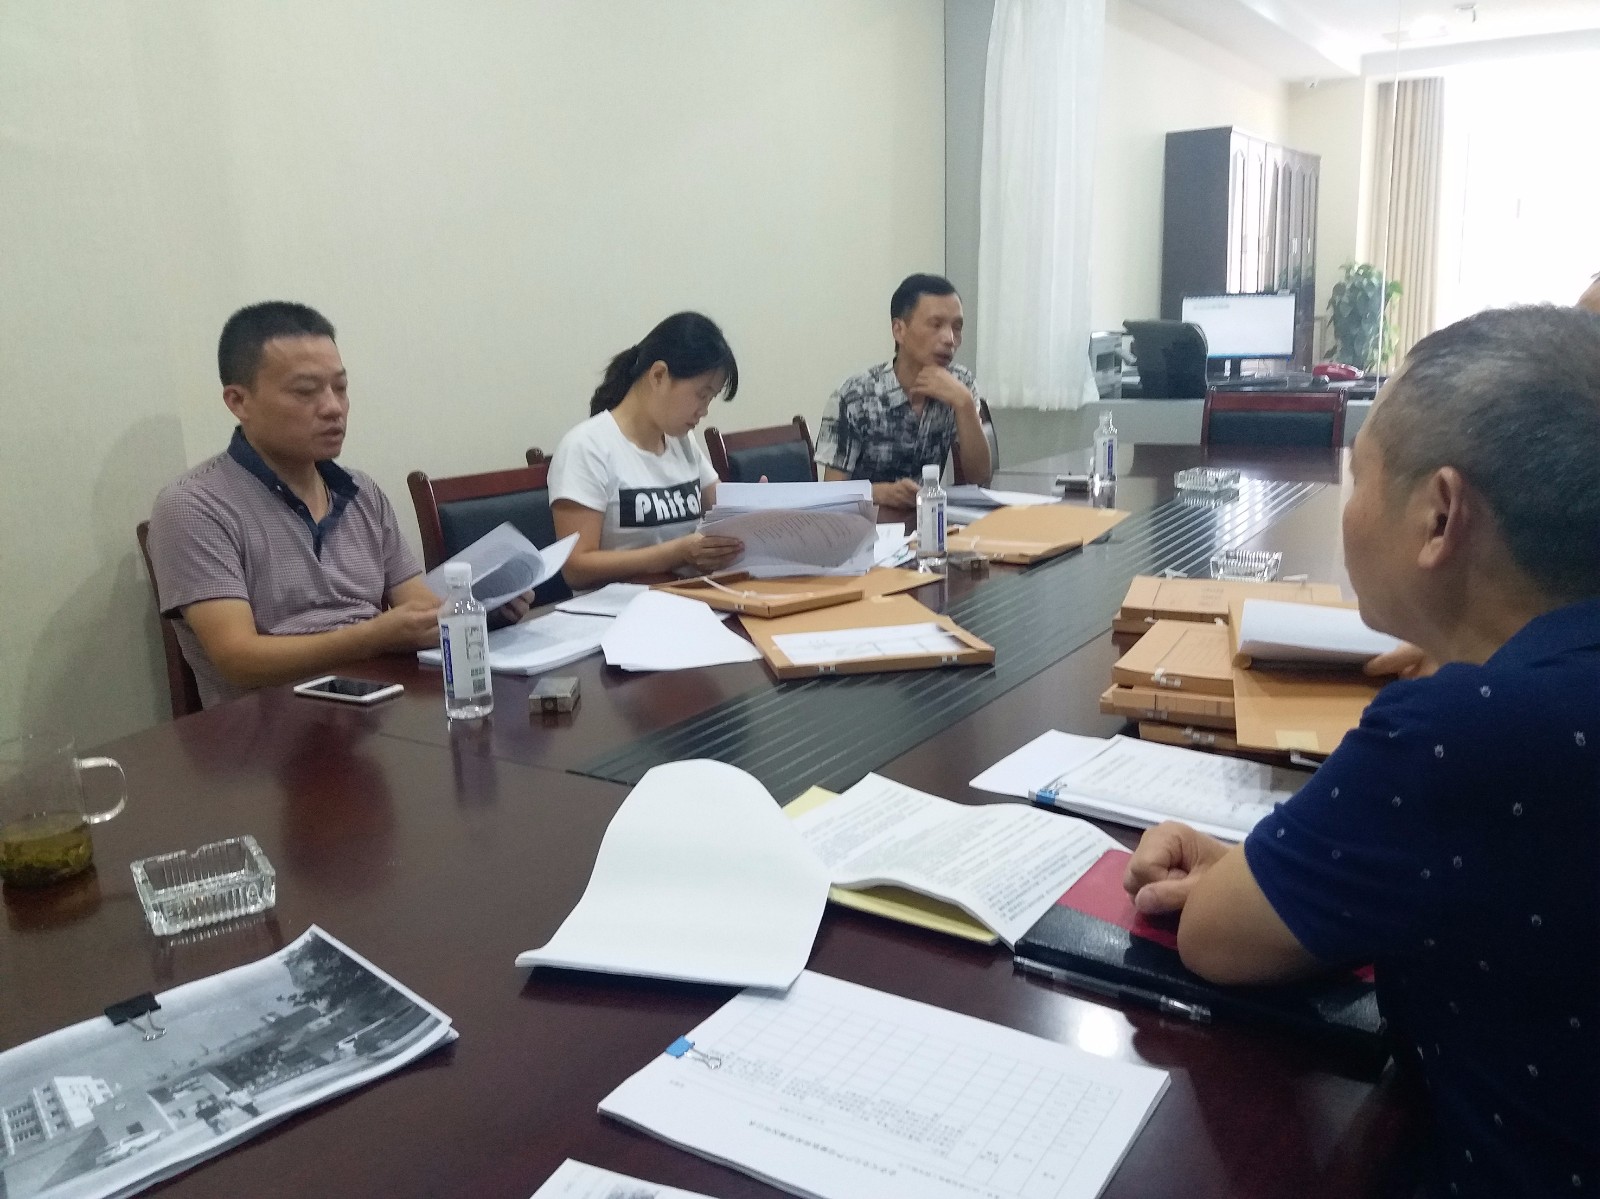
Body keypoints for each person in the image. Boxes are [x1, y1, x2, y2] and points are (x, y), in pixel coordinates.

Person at [1123, 305, 1600, 1197]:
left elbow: (1216, 935)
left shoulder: (1461, 730)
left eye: (1358, 476)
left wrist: (1260, 875)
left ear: (1440, 516)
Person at [148, 303, 491, 709]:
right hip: (270, 727)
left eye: (340, 388)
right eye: (306, 391)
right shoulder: (195, 505)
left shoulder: (362, 492)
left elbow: (419, 608)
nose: (333, 408)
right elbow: (238, 659)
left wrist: (482, 610)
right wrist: (373, 637)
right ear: (239, 401)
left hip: (382, 705)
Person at [550, 312, 743, 589]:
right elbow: (576, 567)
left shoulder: (682, 443)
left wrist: (758, 511)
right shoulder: (587, 447)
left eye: (710, 399)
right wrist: (675, 554)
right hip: (616, 609)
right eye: (701, 395)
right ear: (659, 375)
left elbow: (723, 508)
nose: (704, 411)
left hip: (689, 600)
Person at [814, 273, 992, 507]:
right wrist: (879, 493)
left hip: (928, 520)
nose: (950, 339)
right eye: (936, 325)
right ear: (899, 330)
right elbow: (830, 493)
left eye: (956, 328)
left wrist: (965, 404)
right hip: (869, 522)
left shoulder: (961, 383)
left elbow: (980, 478)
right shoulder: (855, 397)